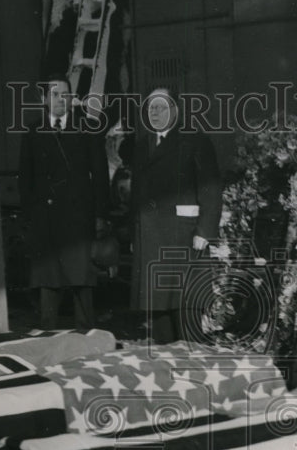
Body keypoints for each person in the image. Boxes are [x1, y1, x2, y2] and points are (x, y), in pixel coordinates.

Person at [129, 87, 223, 344]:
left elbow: (211, 190)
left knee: (187, 315)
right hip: (150, 242)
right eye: (151, 108)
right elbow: (136, 195)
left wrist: (205, 231)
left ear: (175, 110)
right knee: (159, 317)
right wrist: (134, 233)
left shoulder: (194, 141)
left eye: (161, 107)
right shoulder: (141, 146)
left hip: (183, 239)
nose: (156, 112)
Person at [18, 73, 109, 330]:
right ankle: (48, 337)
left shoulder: (87, 128)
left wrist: (101, 215)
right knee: (48, 279)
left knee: (82, 280)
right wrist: (30, 218)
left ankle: (86, 337)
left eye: (65, 95)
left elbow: (100, 175)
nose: (61, 99)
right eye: (55, 94)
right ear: (45, 99)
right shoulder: (33, 132)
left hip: (78, 219)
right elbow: (26, 180)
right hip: (46, 220)